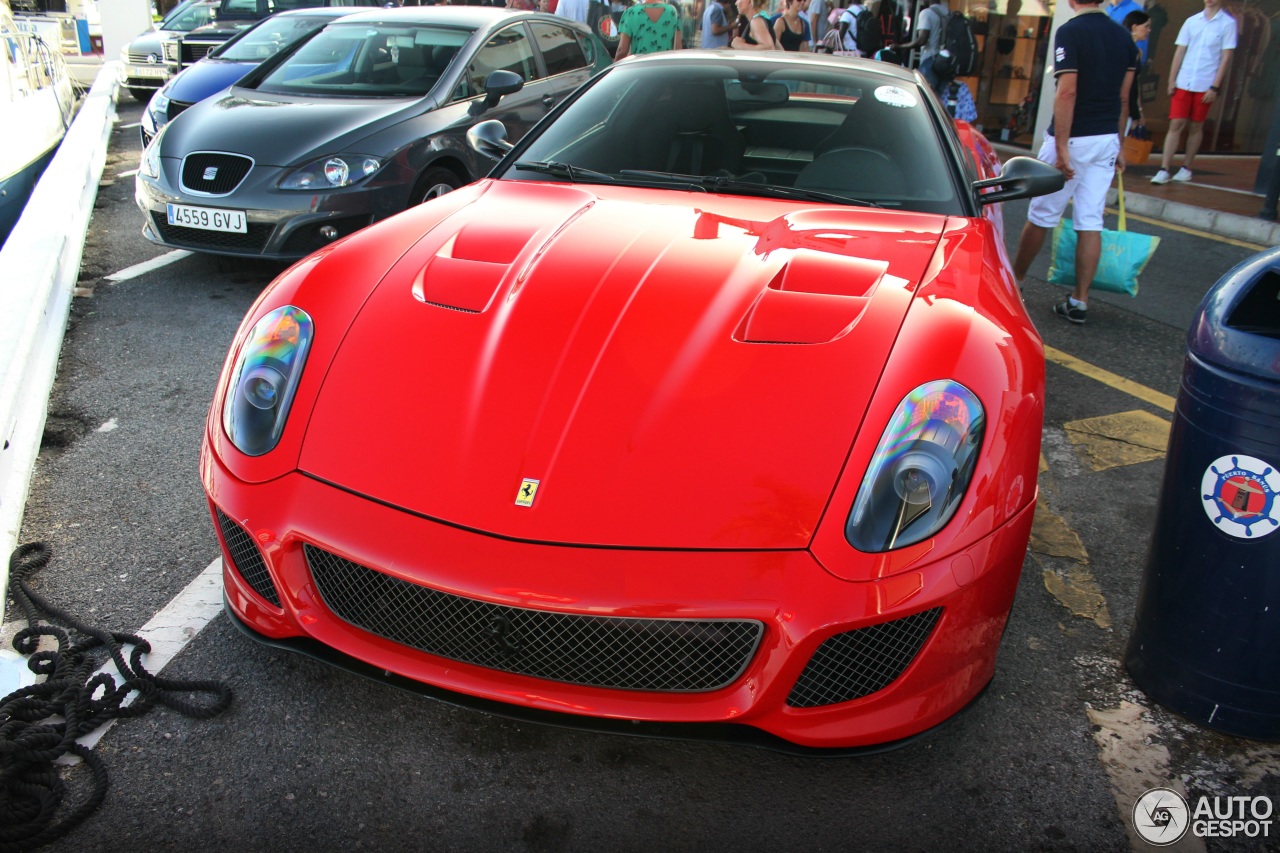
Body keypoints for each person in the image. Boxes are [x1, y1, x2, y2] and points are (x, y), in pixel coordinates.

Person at [1010, 0, 1138, 325]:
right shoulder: (1125, 38)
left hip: (1074, 137)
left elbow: (1067, 92)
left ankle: (1015, 284)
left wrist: (1063, 149)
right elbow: (1124, 98)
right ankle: (1080, 301)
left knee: (1042, 215)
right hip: (1106, 138)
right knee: (1091, 221)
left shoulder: (1070, 31)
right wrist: (1119, 143)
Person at [1150, 0, 1236, 185]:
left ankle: (1186, 167)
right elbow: (1180, 51)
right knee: (1176, 123)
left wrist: (1215, 86)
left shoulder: (1228, 24)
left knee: (1196, 125)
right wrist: (1172, 79)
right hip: (1184, 80)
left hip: (1206, 82)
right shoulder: (1191, 21)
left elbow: (1226, 57)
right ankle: (1164, 168)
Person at [893, 0, 949, 93]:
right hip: (945, 62)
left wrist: (898, 46)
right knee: (937, 99)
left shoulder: (926, 13)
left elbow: (921, 40)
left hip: (930, 61)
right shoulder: (947, 13)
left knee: (921, 95)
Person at [616, 0, 683, 58]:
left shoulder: (631, 12)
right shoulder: (673, 13)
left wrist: (613, 70)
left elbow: (622, 50)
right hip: (665, 68)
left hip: (639, 68)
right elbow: (678, 48)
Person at [1123, 10, 1152, 130]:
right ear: (1134, 27)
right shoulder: (1123, 49)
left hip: (1131, 102)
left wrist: (1139, 110)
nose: (1149, 30)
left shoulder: (1139, 52)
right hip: (1120, 103)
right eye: (1146, 26)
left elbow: (1136, 82)